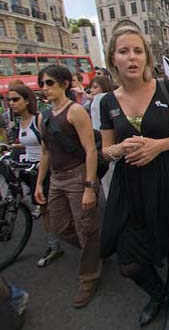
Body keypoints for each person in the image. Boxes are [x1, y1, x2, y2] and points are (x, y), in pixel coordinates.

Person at [99, 25, 169, 330]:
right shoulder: (107, 102)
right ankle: (158, 295)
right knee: (129, 263)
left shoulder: (167, 89)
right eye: (124, 51)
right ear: (113, 58)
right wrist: (118, 149)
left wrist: (158, 146)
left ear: (146, 57)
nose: (132, 57)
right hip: (130, 187)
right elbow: (105, 151)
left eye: (138, 51)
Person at [33, 65, 102, 309]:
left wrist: (89, 187)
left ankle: (89, 277)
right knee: (58, 226)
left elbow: (90, 150)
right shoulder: (43, 117)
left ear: (64, 84)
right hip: (56, 178)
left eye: (50, 83)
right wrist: (40, 183)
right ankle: (94, 249)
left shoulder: (75, 112)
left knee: (85, 228)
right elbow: (45, 152)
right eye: (42, 84)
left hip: (78, 176)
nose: (45, 88)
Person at [7, 85, 64, 267]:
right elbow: (29, 144)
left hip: (45, 170)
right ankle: (54, 244)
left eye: (15, 99)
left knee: (49, 209)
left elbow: (48, 146)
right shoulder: (19, 121)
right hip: (30, 169)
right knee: (44, 209)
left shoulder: (38, 119)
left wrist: (42, 165)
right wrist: (11, 147)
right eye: (9, 100)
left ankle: (57, 245)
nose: (11, 103)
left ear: (26, 100)